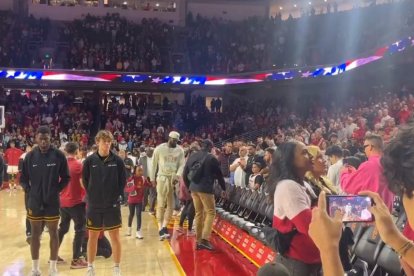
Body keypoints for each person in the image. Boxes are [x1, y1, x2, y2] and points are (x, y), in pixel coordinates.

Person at [309, 124, 414, 276]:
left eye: (406, 192)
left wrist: (328, 251)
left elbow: (349, 185)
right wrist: (396, 239)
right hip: (379, 220)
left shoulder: (368, 165)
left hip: (369, 220)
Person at [20, 126, 71, 276]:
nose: (43, 142)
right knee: (35, 234)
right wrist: (29, 191)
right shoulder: (29, 157)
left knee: (54, 233)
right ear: (36, 138)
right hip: (34, 202)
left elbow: (66, 177)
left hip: (52, 202)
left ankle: (53, 268)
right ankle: (35, 269)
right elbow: (23, 179)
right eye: (41, 139)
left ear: (50, 138)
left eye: (46, 139)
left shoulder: (58, 156)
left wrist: (56, 190)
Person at [269, 141, 321, 276]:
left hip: (310, 257)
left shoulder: (303, 184)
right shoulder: (288, 186)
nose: (310, 155)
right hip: (297, 261)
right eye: (304, 152)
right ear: (289, 160)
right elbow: (309, 226)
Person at [82, 130, 127, 276]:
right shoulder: (89, 161)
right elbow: (85, 180)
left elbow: (122, 182)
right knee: (93, 236)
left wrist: (115, 196)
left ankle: (117, 268)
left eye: (109, 141)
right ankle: (90, 267)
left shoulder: (118, 161)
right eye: (104, 141)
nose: (107, 144)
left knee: (115, 236)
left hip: (111, 205)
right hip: (94, 205)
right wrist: (93, 195)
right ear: (97, 142)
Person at [183, 139, 226, 250]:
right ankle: (205, 240)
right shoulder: (211, 158)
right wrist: (224, 188)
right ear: (211, 147)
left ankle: (198, 240)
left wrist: (189, 187)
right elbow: (219, 175)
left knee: (199, 213)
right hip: (205, 189)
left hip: (193, 188)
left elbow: (185, 173)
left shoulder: (192, 156)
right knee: (211, 212)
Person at [340, 134, 394, 210]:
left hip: (373, 213)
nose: (364, 150)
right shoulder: (389, 163)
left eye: (364, 147)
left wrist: (344, 172)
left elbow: (348, 186)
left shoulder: (369, 165)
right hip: (387, 212)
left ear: (371, 147)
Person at [57, 142, 88, 269]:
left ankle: (53, 256)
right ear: (77, 151)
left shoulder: (60, 165)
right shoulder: (79, 166)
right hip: (76, 202)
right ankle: (76, 260)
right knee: (80, 230)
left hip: (62, 202)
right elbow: (83, 184)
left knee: (63, 228)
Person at [150, 131, 185, 240]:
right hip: (162, 178)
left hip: (173, 179)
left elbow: (181, 165)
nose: (175, 142)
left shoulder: (180, 150)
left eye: (177, 141)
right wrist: (152, 178)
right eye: (174, 140)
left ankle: (164, 226)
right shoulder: (159, 148)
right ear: (169, 138)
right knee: (161, 203)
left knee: (171, 204)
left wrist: (178, 176)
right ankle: (160, 228)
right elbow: (153, 164)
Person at [125, 166, 151, 239]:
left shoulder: (143, 178)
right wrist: (135, 187)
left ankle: (138, 231)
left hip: (139, 201)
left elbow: (148, 185)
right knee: (131, 214)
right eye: (139, 170)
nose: (141, 172)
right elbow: (126, 189)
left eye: (142, 170)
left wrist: (151, 183)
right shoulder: (130, 179)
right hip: (131, 201)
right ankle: (129, 229)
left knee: (139, 215)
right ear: (135, 171)